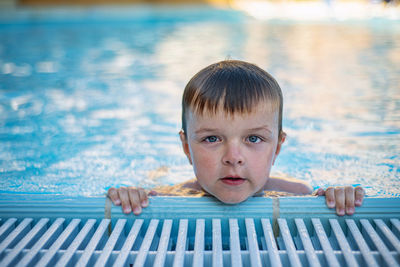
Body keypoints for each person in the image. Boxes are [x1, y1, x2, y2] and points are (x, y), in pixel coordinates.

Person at [108, 60, 364, 216]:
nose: (233, 158)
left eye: (253, 139)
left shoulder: (298, 193)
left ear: (277, 148)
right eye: (211, 139)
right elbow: (132, 201)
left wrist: (337, 196)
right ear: (186, 147)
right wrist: (131, 196)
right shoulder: (169, 195)